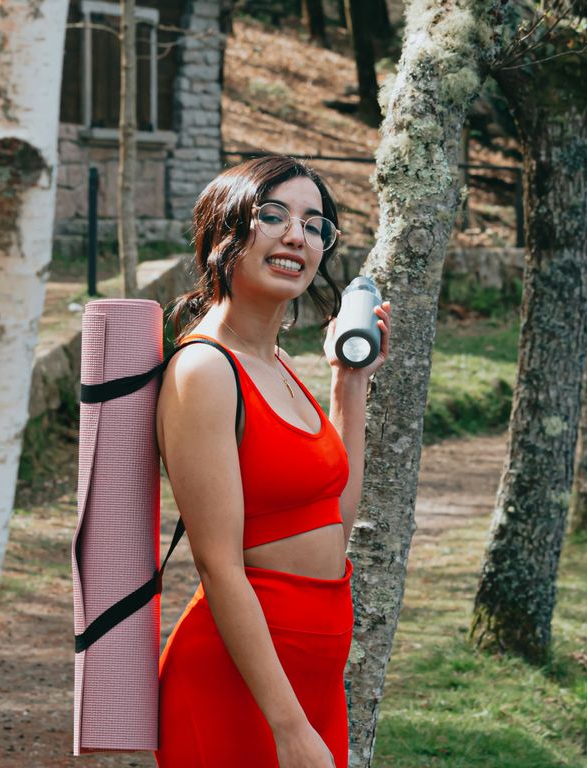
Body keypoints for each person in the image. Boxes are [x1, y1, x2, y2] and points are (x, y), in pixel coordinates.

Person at [154, 155, 391, 767]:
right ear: (224, 231)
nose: (297, 236)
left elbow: (331, 522)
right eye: (273, 215)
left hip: (311, 673)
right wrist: (288, 727)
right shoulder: (207, 369)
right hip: (244, 683)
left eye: (315, 225)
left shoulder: (279, 361)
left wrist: (349, 384)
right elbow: (217, 562)